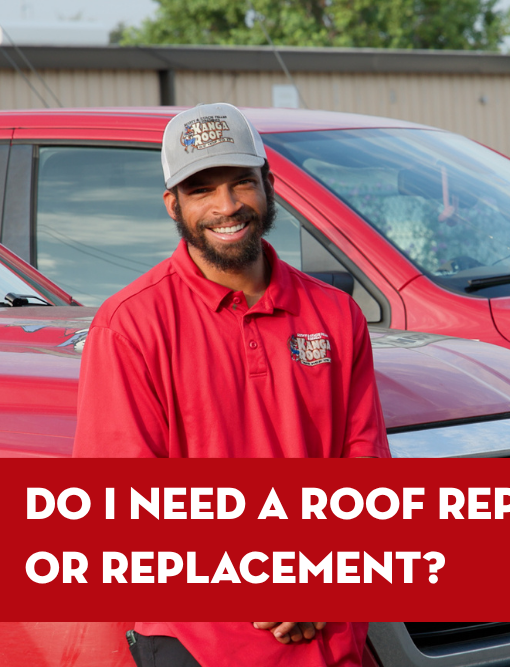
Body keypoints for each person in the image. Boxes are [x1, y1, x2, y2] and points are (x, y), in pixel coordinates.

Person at [73, 102, 390, 667]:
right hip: (200, 643)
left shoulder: (336, 315)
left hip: (331, 637)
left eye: (242, 182)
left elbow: (364, 465)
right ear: (173, 204)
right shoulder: (132, 324)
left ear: (268, 185)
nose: (227, 206)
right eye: (202, 190)